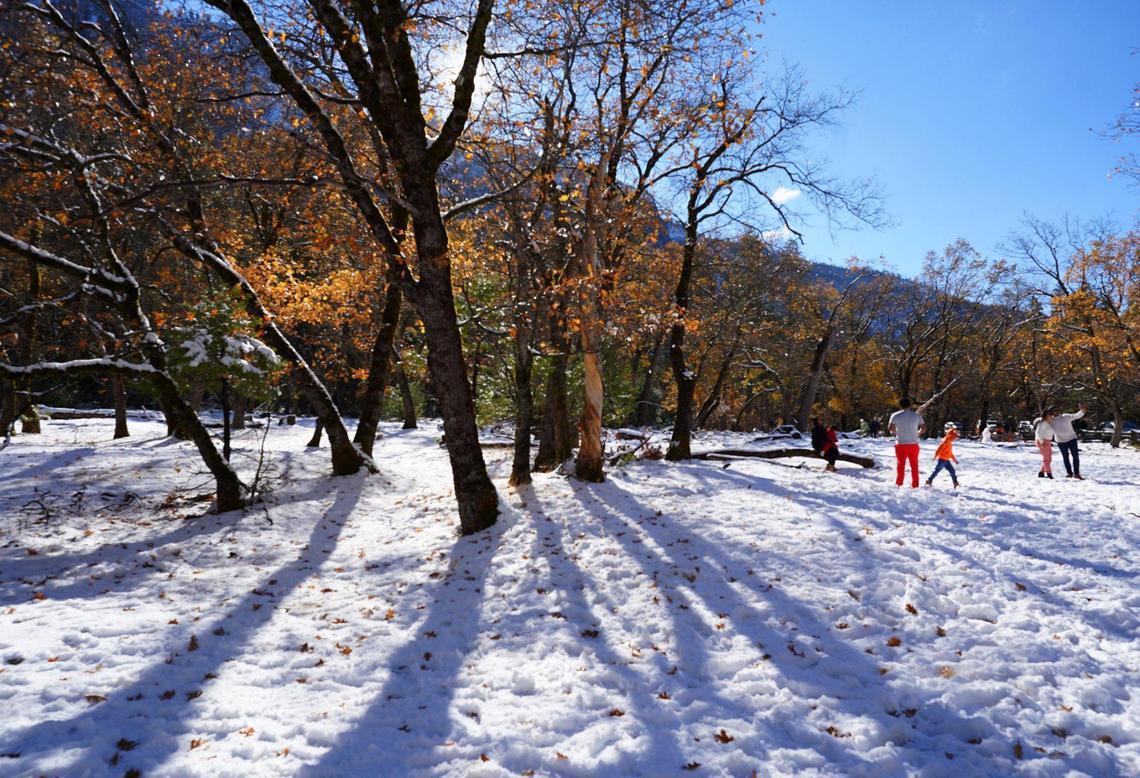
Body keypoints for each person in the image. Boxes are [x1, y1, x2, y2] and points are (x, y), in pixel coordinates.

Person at [888, 397, 924, 488]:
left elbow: (890, 428)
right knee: (914, 465)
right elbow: (923, 428)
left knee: (900, 465)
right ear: (910, 405)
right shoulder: (916, 415)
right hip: (913, 444)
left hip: (901, 444)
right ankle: (915, 485)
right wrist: (917, 433)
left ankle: (899, 484)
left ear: (900, 405)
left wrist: (897, 432)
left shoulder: (895, 415)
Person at [1049, 404, 1087, 479]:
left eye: (1058, 410)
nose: (1057, 411)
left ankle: (1077, 474)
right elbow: (1042, 423)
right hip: (1060, 442)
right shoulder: (1051, 421)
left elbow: (1076, 416)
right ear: (1051, 412)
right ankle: (1069, 473)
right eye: (1055, 410)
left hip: (1071, 439)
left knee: (1075, 456)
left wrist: (1082, 410)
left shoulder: (1065, 417)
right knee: (1065, 458)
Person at [1033, 410, 1056, 479]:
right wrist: (1041, 441)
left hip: (1047, 441)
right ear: (1046, 415)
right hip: (1043, 441)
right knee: (1047, 458)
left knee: (1048, 458)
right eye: (1050, 414)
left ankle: (1041, 472)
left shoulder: (1048, 423)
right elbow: (1038, 433)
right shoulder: (1042, 423)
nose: (1051, 416)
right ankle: (1049, 473)